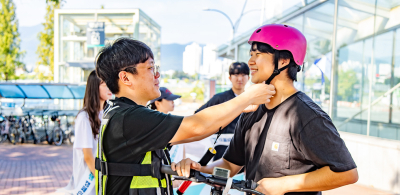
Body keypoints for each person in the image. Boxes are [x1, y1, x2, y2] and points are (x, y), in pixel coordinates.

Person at [173, 24, 359, 195]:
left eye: (258, 54)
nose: (250, 61)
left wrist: (283, 184)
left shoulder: (305, 115)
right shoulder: (252, 110)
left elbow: (346, 173)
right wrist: (200, 168)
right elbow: (230, 165)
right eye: (251, 54)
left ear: (284, 60)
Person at [94, 38, 275, 195]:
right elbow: (196, 126)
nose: (157, 74)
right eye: (150, 67)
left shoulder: (120, 113)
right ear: (125, 78)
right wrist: (247, 97)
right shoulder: (130, 118)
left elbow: (194, 133)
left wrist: (237, 108)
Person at [58, 70, 112, 195]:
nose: (109, 87)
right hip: (88, 182)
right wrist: (102, 181)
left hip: (102, 175)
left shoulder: (107, 114)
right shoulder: (84, 117)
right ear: (94, 87)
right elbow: (88, 156)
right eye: (104, 83)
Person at [195, 62, 249, 161]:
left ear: (248, 78)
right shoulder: (220, 98)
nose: (240, 79)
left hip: (243, 151)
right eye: (236, 75)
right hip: (221, 151)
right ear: (230, 78)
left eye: (243, 75)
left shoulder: (251, 100)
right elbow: (198, 115)